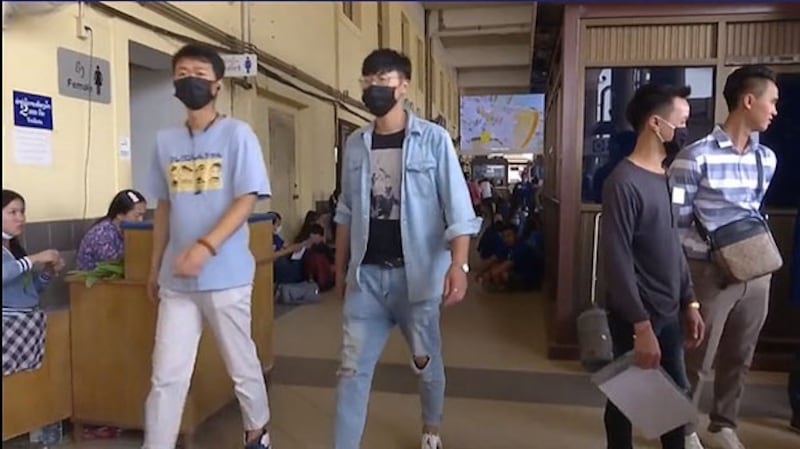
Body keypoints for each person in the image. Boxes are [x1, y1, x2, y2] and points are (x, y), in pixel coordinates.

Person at [332, 48, 481, 449]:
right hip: (366, 278)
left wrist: (459, 266)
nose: (375, 88)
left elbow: (458, 209)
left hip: (417, 280)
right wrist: (340, 267)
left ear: (403, 85)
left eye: (384, 80)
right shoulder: (356, 144)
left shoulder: (432, 141)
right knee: (351, 371)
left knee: (425, 364)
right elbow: (345, 209)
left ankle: (431, 427)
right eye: (369, 81)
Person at [143, 44, 273, 449]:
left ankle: (257, 431)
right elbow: (163, 206)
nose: (190, 79)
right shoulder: (165, 141)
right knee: (166, 375)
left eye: (199, 72)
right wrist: (154, 266)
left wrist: (205, 246)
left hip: (226, 275)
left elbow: (246, 199)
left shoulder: (237, 135)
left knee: (240, 363)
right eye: (182, 72)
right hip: (176, 281)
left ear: (217, 85)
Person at [668, 65, 779, 449]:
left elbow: (750, 212)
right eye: (772, 101)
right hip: (707, 271)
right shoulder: (692, 158)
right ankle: (682, 428)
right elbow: (675, 226)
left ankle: (724, 423)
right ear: (748, 101)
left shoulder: (767, 158)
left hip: (756, 269)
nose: (774, 110)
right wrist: (687, 294)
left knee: (741, 353)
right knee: (697, 357)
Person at [601, 84, 705, 449]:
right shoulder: (623, 183)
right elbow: (617, 260)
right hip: (637, 317)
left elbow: (671, 245)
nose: (685, 130)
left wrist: (689, 301)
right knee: (626, 400)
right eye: (681, 122)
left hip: (668, 311)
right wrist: (640, 324)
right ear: (655, 123)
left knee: (672, 403)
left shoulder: (664, 176)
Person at [2, 189, 65, 309]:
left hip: (29, 319)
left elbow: (28, 292)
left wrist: (47, 272)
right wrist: (33, 259)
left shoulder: (15, 249)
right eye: (13, 212)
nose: (21, 218)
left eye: (22, 212)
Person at [76, 189, 147, 271]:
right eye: (137, 215)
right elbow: (114, 263)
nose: (141, 220)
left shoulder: (126, 231)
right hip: (95, 281)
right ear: (120, 215)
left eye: (143, 215)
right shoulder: (103, 233)